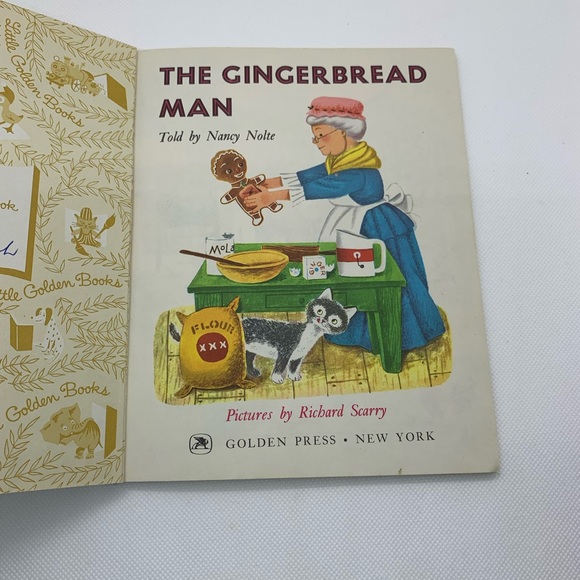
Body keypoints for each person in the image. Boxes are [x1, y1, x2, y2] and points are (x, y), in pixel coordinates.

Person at [241, 96, 444, 351]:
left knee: (388, 281)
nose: (317, 143)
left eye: (321, 136)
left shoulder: (359, 168)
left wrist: (271, 197)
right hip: (356, 224)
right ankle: (354, 333)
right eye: (315, 137)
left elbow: (321, 187)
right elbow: (309, 175)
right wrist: (265, 184)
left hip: (375, 228)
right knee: (355, 277)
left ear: (344, 132)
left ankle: (404, 335)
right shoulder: (343, 159)